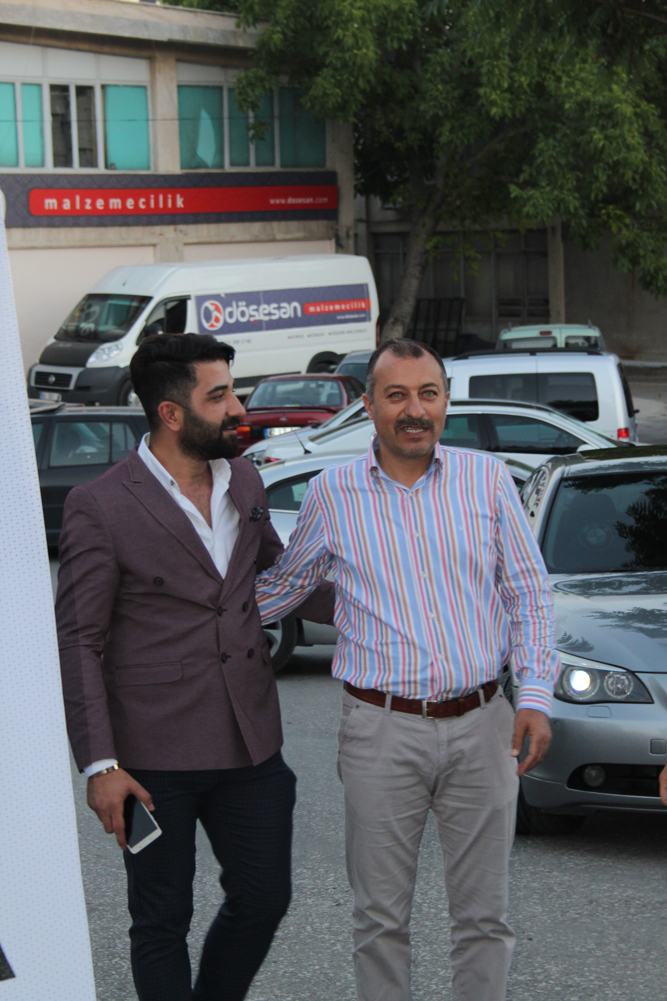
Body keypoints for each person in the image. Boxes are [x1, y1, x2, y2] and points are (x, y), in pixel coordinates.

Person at [254, 338, 560, 1001]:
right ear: (368, 405)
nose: (413, 410)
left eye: (428, 394)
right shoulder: (332, 493)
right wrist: (183, 613)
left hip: (484, 723)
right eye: (396, 395)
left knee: (484, 917)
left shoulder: (487, 481)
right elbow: (281, 589)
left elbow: (528, 594)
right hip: (380, 730)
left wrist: (535, 694)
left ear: (446, 401)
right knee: (379, 918)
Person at [55, 332, 334, 1001]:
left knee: (264, 896)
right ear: (172, 413)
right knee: (160, 920)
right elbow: (80, 641)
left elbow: (277, 574)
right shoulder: (100, 504)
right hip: (149, 758)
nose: (238, 408)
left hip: (251, 745)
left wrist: (382, 600)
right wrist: (100, 766)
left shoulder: (244, 478)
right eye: (220, 395)